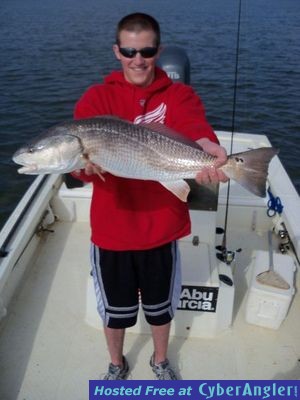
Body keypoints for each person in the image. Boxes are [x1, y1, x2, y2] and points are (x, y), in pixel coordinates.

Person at [72, 12, 228, 380]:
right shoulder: (98, 98)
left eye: (147, 50)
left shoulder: (180, 94)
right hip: (113, 231)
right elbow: (78, 164)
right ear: (117, 51)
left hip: (162, 228)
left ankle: (160, 361)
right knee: (115, 311)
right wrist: (83, 167)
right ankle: (116, 363)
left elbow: (197, 132)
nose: (137, 59)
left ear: (158, 50)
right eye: (129, 50)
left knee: (161, 309)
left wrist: (210, 149)